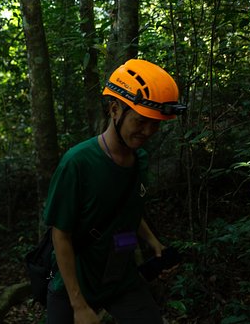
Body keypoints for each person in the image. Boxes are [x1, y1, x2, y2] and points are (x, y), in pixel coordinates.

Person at [43, 59, 186, 324]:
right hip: (75, 282)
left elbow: (129, 207)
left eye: (156, 124)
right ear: (115, 110)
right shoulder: (78, 163)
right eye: (142, 121)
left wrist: (153, 242)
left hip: (121, 278)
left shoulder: (139, 159)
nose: (149, 131)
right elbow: (60, 234)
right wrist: (78, 305)